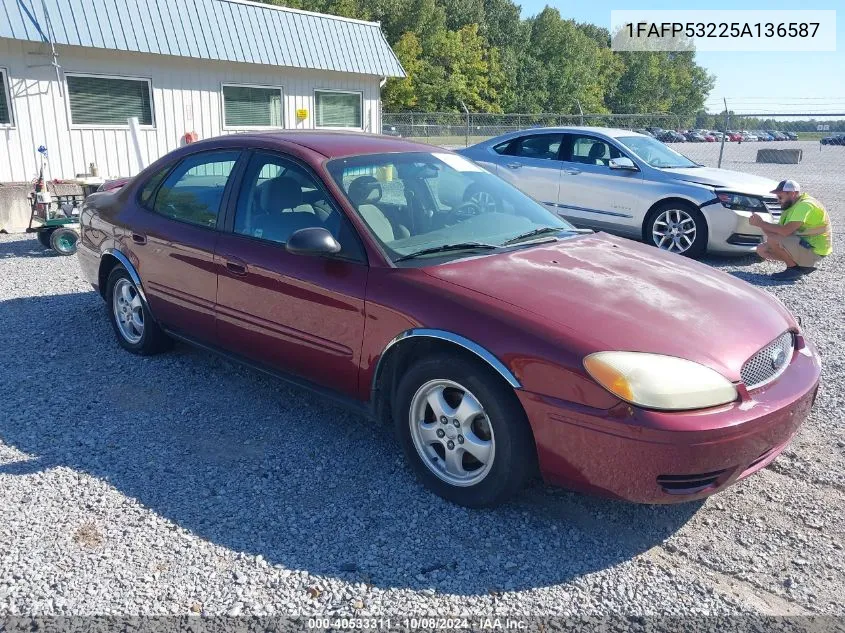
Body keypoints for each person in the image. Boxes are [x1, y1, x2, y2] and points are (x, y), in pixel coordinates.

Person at [750, 180, 833, 280]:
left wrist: (761, 223)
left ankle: (793, 269)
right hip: (804, 243)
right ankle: (801, 266)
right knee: (762, 250)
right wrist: (759, 224)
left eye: (780, 197)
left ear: (792, 194)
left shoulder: (805, 205)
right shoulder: (790, 206)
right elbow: (775, 232)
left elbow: (785, 231)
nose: (778, 200)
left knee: (773, 240)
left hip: (815, 249)